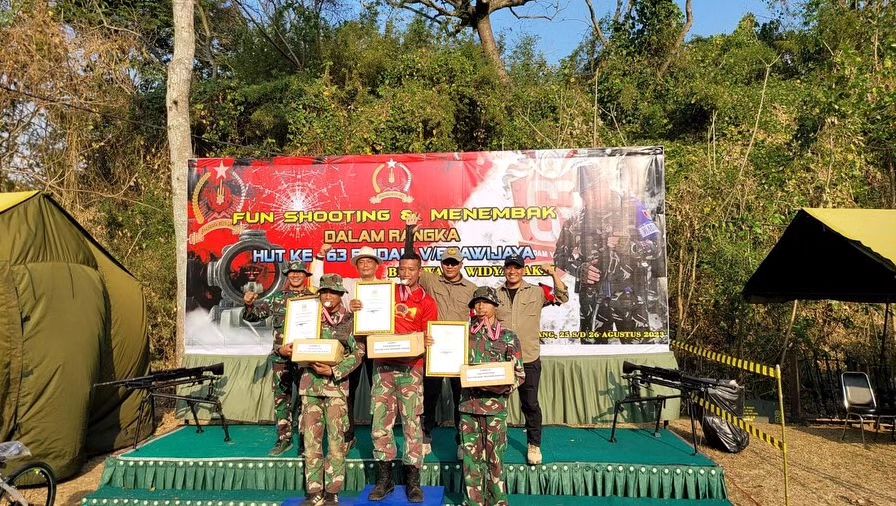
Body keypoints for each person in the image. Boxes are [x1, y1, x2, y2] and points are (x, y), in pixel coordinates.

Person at [553, 171, 661, 342]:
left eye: (595, 190)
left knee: (639, 352)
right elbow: (559, 257)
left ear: (605, 185)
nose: (591, 197)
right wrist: (579, 269)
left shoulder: (633, 210)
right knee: (593, 355)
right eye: (585, 193)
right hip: (592, 303)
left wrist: (631, 247)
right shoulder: (576, 221)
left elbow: (656, 246)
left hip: (630, 299)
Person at [403, 213, 478, 459]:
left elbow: (479, 317)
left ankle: (461, 440)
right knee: (430, 395)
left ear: (461, 264)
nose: (450, 266)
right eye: (446, 262)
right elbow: (409, 263)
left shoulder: (472, 289)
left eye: (454, 263)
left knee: (460, 397)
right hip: (433, 349)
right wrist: (409, 233)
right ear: (441, 264)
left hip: (459, 352)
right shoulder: (431, 280)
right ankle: (425, 436)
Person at [367, 252, 438, 503]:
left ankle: (413, 481)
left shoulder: (427, 302)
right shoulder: (385, 293)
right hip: (383, 368)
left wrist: (427, 340)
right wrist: (359, 308)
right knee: (380, 425)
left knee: (412, 425)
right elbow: (369, 315)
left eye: (411, 269)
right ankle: (385, 480)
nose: (406, 273)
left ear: (420, 271)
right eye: (402, 269)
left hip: (411, 369)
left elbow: (429, 335)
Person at [495, 255, 568, 465]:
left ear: (523, 271)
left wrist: (553, 273)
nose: (512, 272)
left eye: (517, 268)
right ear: (504, 270)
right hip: (502, 359)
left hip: (528, 358)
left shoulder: (538, 292)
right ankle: (496, 441)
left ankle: (534, 445)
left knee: (530, 404)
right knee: (497, 404)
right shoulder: (495, 294)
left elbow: (562, 296)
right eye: (509, 268)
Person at [299, 274, 364, 506]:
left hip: (336, 388)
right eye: (324, 291)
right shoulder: (308, 317)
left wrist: (334, 370)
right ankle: (314, 490)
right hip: (310, 386)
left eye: (333, 292)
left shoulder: (350, 320)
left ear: (340, 295)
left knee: (336, 442)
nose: (328, 296)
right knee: (311, 442)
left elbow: (358, 352)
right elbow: (296, 343)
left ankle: (333, 491)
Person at [242, 260, 316, 457]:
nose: (295, 275)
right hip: (281, 357)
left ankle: (306, 440)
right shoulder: (275, 299)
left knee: (307, 399)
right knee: (281, 398)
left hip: (306, 357)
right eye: (291, 272)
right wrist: (248, 304)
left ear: (305, 276)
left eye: (299, 272)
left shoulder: (314, 300)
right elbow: (252, 317)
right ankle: (284, 438)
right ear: (287, 275)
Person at [460, 286, 524, 506]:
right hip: (468, 406)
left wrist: (502, 388)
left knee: (495, 459)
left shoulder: (508, 337)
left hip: (495, 408)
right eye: (476, 303)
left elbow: (519, 374)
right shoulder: (463, 335)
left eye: (485, 302)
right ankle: (474, 502)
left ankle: (498, 501)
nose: (480, 306)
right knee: (471, 460)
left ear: (495, 305)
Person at [316, 244, 382, 450]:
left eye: (369, 261)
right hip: (352, 345)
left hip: (377, 343)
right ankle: (348, 433)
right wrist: (320, 257)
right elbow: (318, 283)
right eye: (361, 262)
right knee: (348, 390)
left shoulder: (387, 286)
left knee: (379, 390)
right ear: (356, 266)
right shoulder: (349, 285)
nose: (365, 265)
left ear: (377, 265)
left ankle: (379, 434)